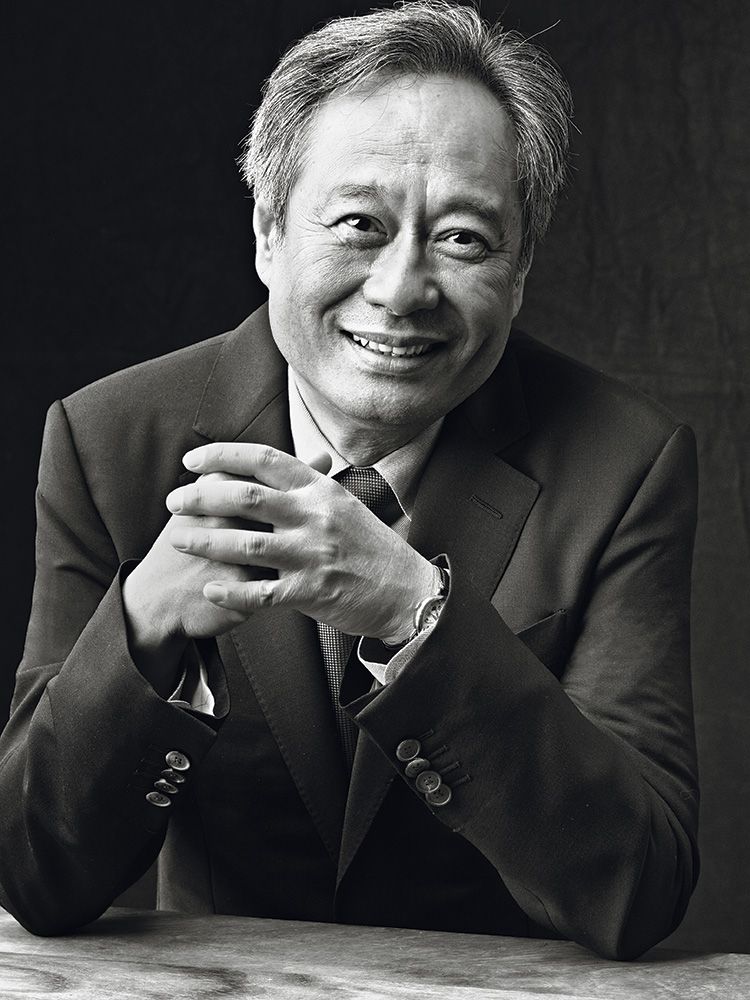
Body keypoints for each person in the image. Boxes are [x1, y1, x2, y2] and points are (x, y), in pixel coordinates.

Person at [0, 1, 698, 960]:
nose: (402, 289)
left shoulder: (625, 464)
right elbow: (35, 875)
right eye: (359, 224)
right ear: (268, 232)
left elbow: (641, 889)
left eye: (464, 238)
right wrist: (141, 629)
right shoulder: (107, 440)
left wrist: (417, 617)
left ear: (522, 267)